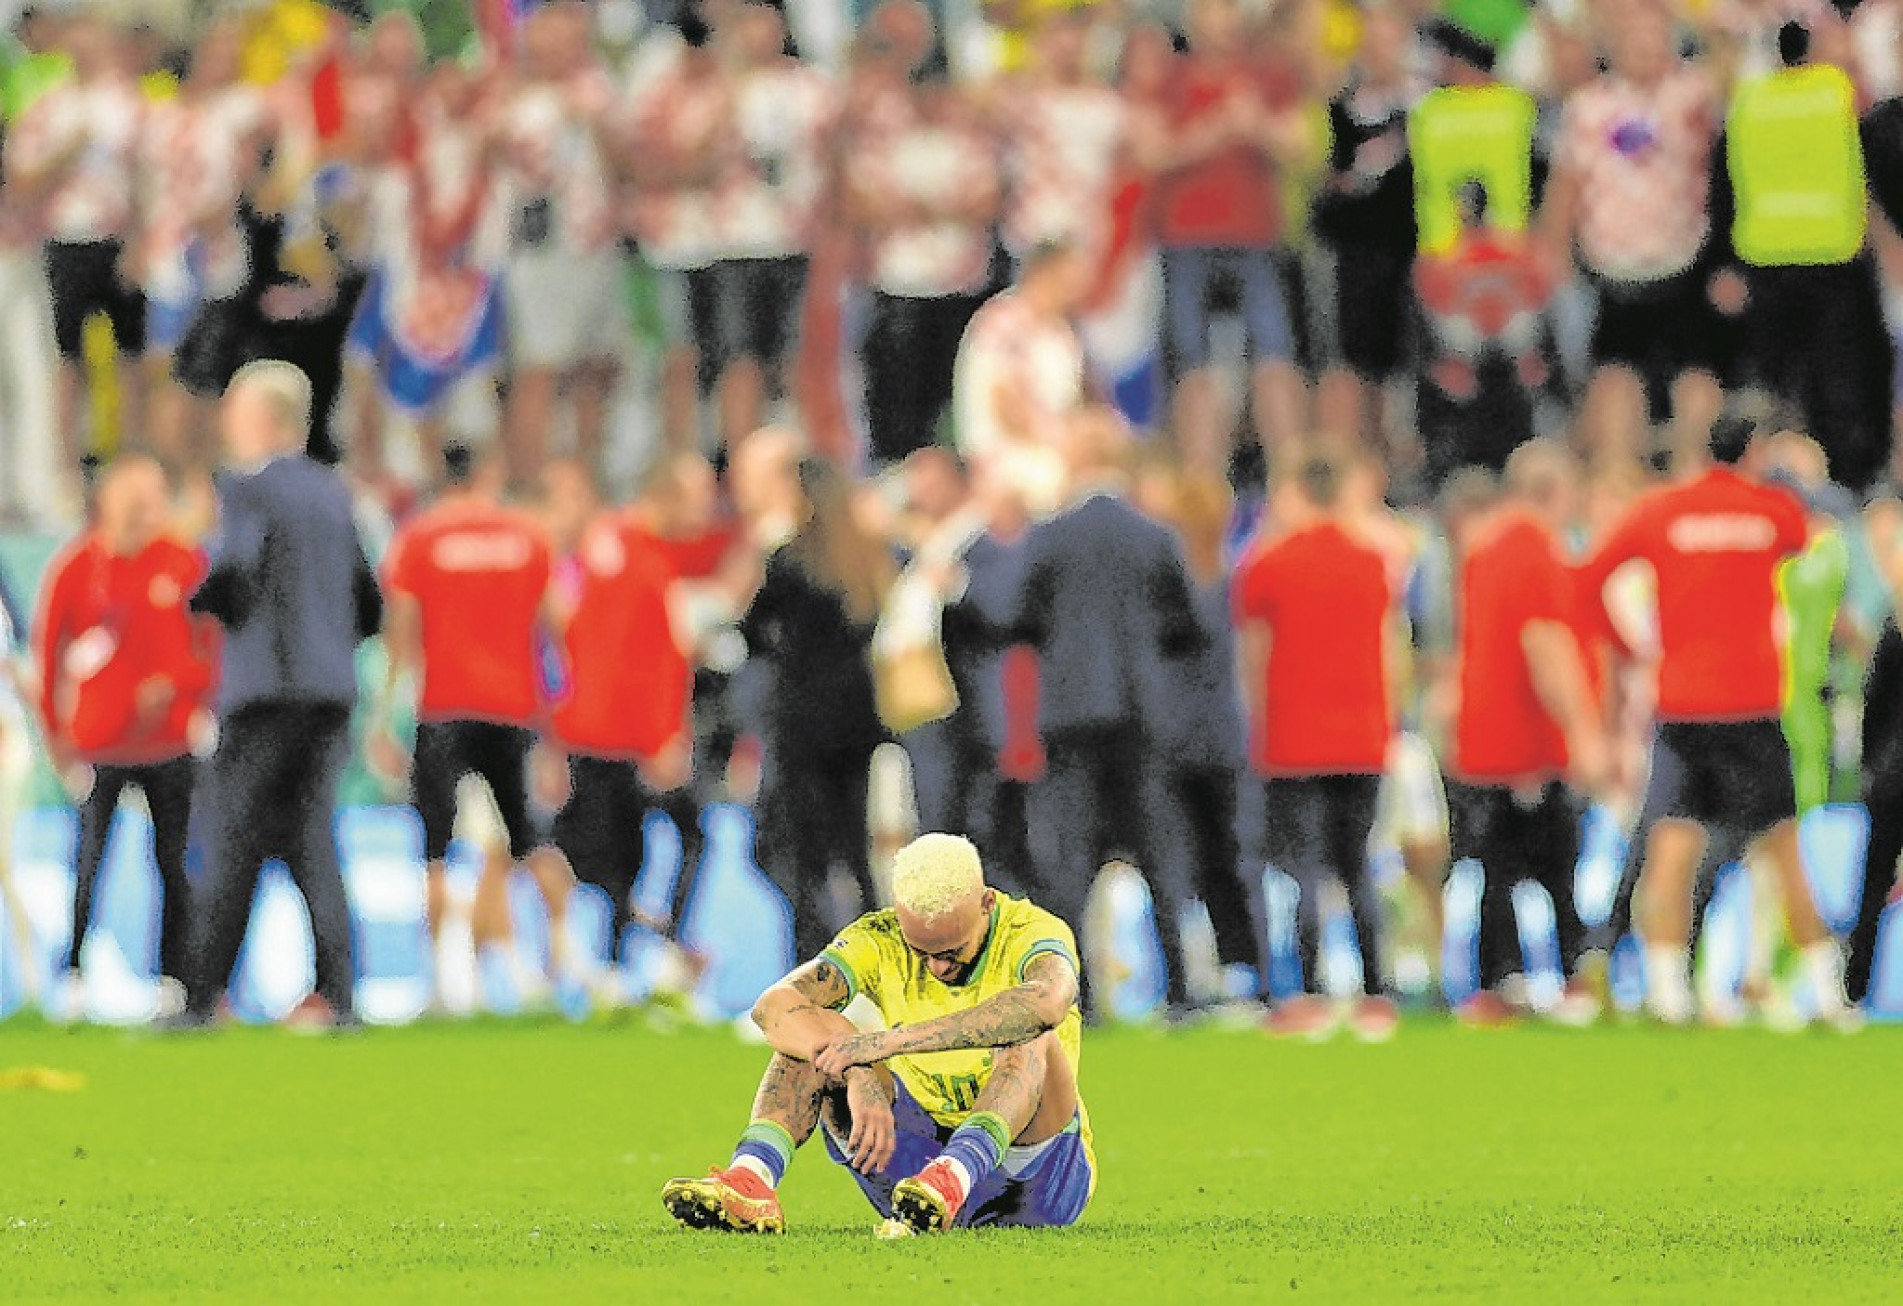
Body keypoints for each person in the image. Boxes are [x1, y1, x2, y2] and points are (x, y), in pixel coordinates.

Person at [661, 832, 1093, 1235]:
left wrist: (889, 1042)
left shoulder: (1033, 930)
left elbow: (1046, 1002)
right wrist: (858, 1071)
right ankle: (751, 1178)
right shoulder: (878, 936)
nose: (938, 968)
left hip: (1035, 1176)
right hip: (917, 1169)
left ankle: (957, 1171)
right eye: (922, 953)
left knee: (1030, 1033)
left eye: (952, 951)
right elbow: (772, 1007)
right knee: (813, 1035)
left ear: (986, 903)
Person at [1578, 413, 1854, 1027]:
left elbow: (1589, 579)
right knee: (1784, 847)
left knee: (1671, 849)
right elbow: (1808, 543)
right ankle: (1827, 996)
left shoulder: (1662, 511)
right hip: (1753, 704)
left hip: (1683, 704)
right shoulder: (1771, 512)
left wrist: (1630, 646)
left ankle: (1667, 993)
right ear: (1753, 451)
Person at [180, 359, 382, 1029]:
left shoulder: (246, 490)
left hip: (264, 688)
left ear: (262, 419)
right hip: (328, 690)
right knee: (314, 841)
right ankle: (342, 994)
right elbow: (368, 599)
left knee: (229, 838)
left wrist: (200, 598)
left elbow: (236, 568)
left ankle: (203, 994)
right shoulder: (334, 492)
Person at [1001, 406, 1205, 1014]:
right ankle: (1182, 990)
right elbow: (1187, 626)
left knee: (1070, 862)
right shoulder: (1154, 535)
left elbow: (1019, 620)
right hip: (1142, 715)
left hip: (1070, 716)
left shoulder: (1050, 536)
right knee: (1159, 852)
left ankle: (1076, 995)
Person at [378, 443, 582, 1009]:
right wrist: (561, 718)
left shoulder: (421, 538)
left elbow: (402, 631)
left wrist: (384, 715)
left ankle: (438, 986)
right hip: (511, 710)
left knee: (437, 851)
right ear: (489, 473)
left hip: (443, 708)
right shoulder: (527, 536)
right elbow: (558, 627)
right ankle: (564, 960)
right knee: (532, 841)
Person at [31, 454, 214, 1019]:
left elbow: (214, 651)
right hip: (100, 746)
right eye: (132, 496)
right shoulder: (76, 566)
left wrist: (178, 686)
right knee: (88, 862)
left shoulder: (185, 563)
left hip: (169, 745)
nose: (143, 509)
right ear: (107, 499)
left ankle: (175, 980)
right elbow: (48, 657)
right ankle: (73, 977)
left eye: (152, 496)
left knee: (175, 863)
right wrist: (58, 738)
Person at [1233, 444, 1400, 1040]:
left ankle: (1305, 995)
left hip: (1293, 738)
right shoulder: (1372, 560)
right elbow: (1389, 648)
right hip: (1361, 736)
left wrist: (1257, 725)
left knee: (1302, 869)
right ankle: (1378, 996)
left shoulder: (1268, 564)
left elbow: (1253, 656)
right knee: (1357, 866)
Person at [1441, 442, 1607, 1025]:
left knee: (1499, 866)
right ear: (1554, 492)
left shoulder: (1482, 549)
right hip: (1527, 744)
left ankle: (1498, 981)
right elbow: (1546, 646)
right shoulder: (1537, 550)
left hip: (1484, 739)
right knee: (1555, 862)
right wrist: (1584, 732)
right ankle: (1572, 978)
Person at [1544, 0, 1724, 467]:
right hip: (1612, 270)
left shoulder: (1694, 95)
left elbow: (1730, 64)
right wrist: (1555, 258)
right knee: (1615, 377)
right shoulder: (1589, 107)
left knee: (1695, 376)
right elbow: (1566, 186)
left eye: (1653, 35)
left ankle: (1694, 477)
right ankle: (1618, 482)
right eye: (1633, 36)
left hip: (1684, 261)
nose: (1644, 46)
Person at [742, 454, 893, 964]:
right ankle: (881, 962)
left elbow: (752, 630)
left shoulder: (790, 559)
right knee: (856, 850)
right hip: (857, 721)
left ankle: (809, 962)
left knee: (807, 852)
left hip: (804, 724)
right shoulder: (867, 558)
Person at [1155, 0, 1310, 472]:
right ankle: (1202, 481)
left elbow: (1301, 145)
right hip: (1185, 236)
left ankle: (1289, 472)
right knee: (1193, 361)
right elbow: (1151, 151)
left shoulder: (1268, 75)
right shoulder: (1173, 78)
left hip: (1255, 235)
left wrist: (1257, 123)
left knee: (1275, 353)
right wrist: (1215, 129)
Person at [5, 16, 145, 482]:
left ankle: (129, 461)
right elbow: (22, 181)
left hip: (118, 240)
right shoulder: (49, 108)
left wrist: (141, 238)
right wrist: (70, 150)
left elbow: (145, 175)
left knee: (130, 356)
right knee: (68, 359)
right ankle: (65, 468)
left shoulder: (127, 104)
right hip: (67, 240)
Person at [950, 237, 1091, 517]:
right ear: (1042, 273)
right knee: (1067, 486)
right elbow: (1008, 411)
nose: (1076, 288)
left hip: (1048, 449)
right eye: (1068, 277)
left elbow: (1071, 409)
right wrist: (1065, 445)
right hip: (999, 456)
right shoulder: (1002, 323)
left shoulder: (1062, 336)